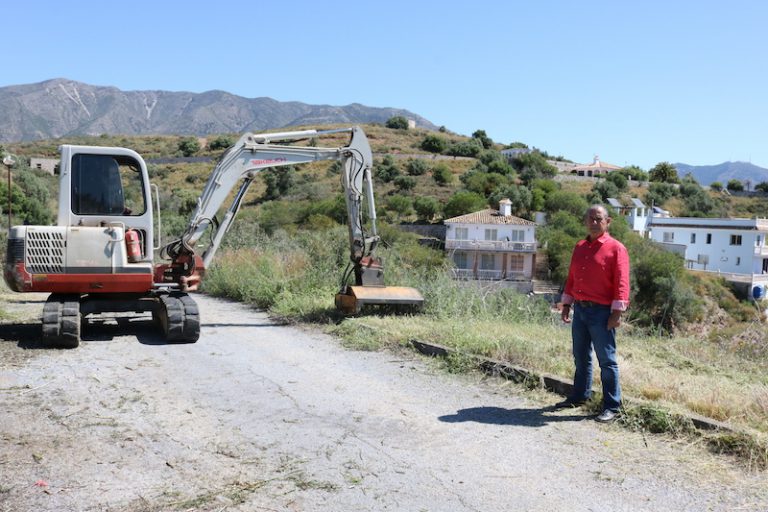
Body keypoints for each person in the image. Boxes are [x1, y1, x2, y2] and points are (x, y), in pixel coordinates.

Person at [556, 204, 630, 423]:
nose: (594, 222)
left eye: (599, 219)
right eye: (590, 218)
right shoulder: (580, 247)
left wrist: (617, 313)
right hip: (580, 310)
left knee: (606, 361)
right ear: (585, 221)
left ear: (608, 222)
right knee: (580, 356)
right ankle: (580, 396)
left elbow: (622, 282)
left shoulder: (616, 248)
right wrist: (567, 304)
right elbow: (572, 277)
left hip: (602, 313)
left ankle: (612, 406)